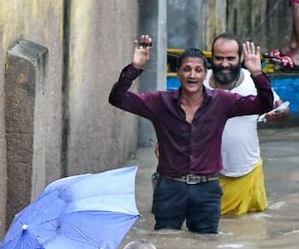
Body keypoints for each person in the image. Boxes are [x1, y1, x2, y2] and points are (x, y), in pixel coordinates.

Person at [108, 34, 275, 234]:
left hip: (207, 190)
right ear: (177, 73)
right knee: (167, 242)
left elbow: (265, 104)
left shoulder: (222, 102)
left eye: (198, 70)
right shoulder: (161, 103)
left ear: (205, 75)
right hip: (169, 188)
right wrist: (135, 67)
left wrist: (257, 73)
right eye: (186, 69)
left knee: (207, 247)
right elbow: (118, 99)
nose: (192, 75)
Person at [205, 32, 289, 216]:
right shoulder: (200, 82)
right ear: (211, 58)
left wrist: (278, 113)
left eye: (230, 58)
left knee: (252, 228)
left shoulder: (252, 81)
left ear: (240, 58)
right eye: (219, 58)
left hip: (248, 171)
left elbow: (280, 107)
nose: (225, 64)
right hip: (209, 175)